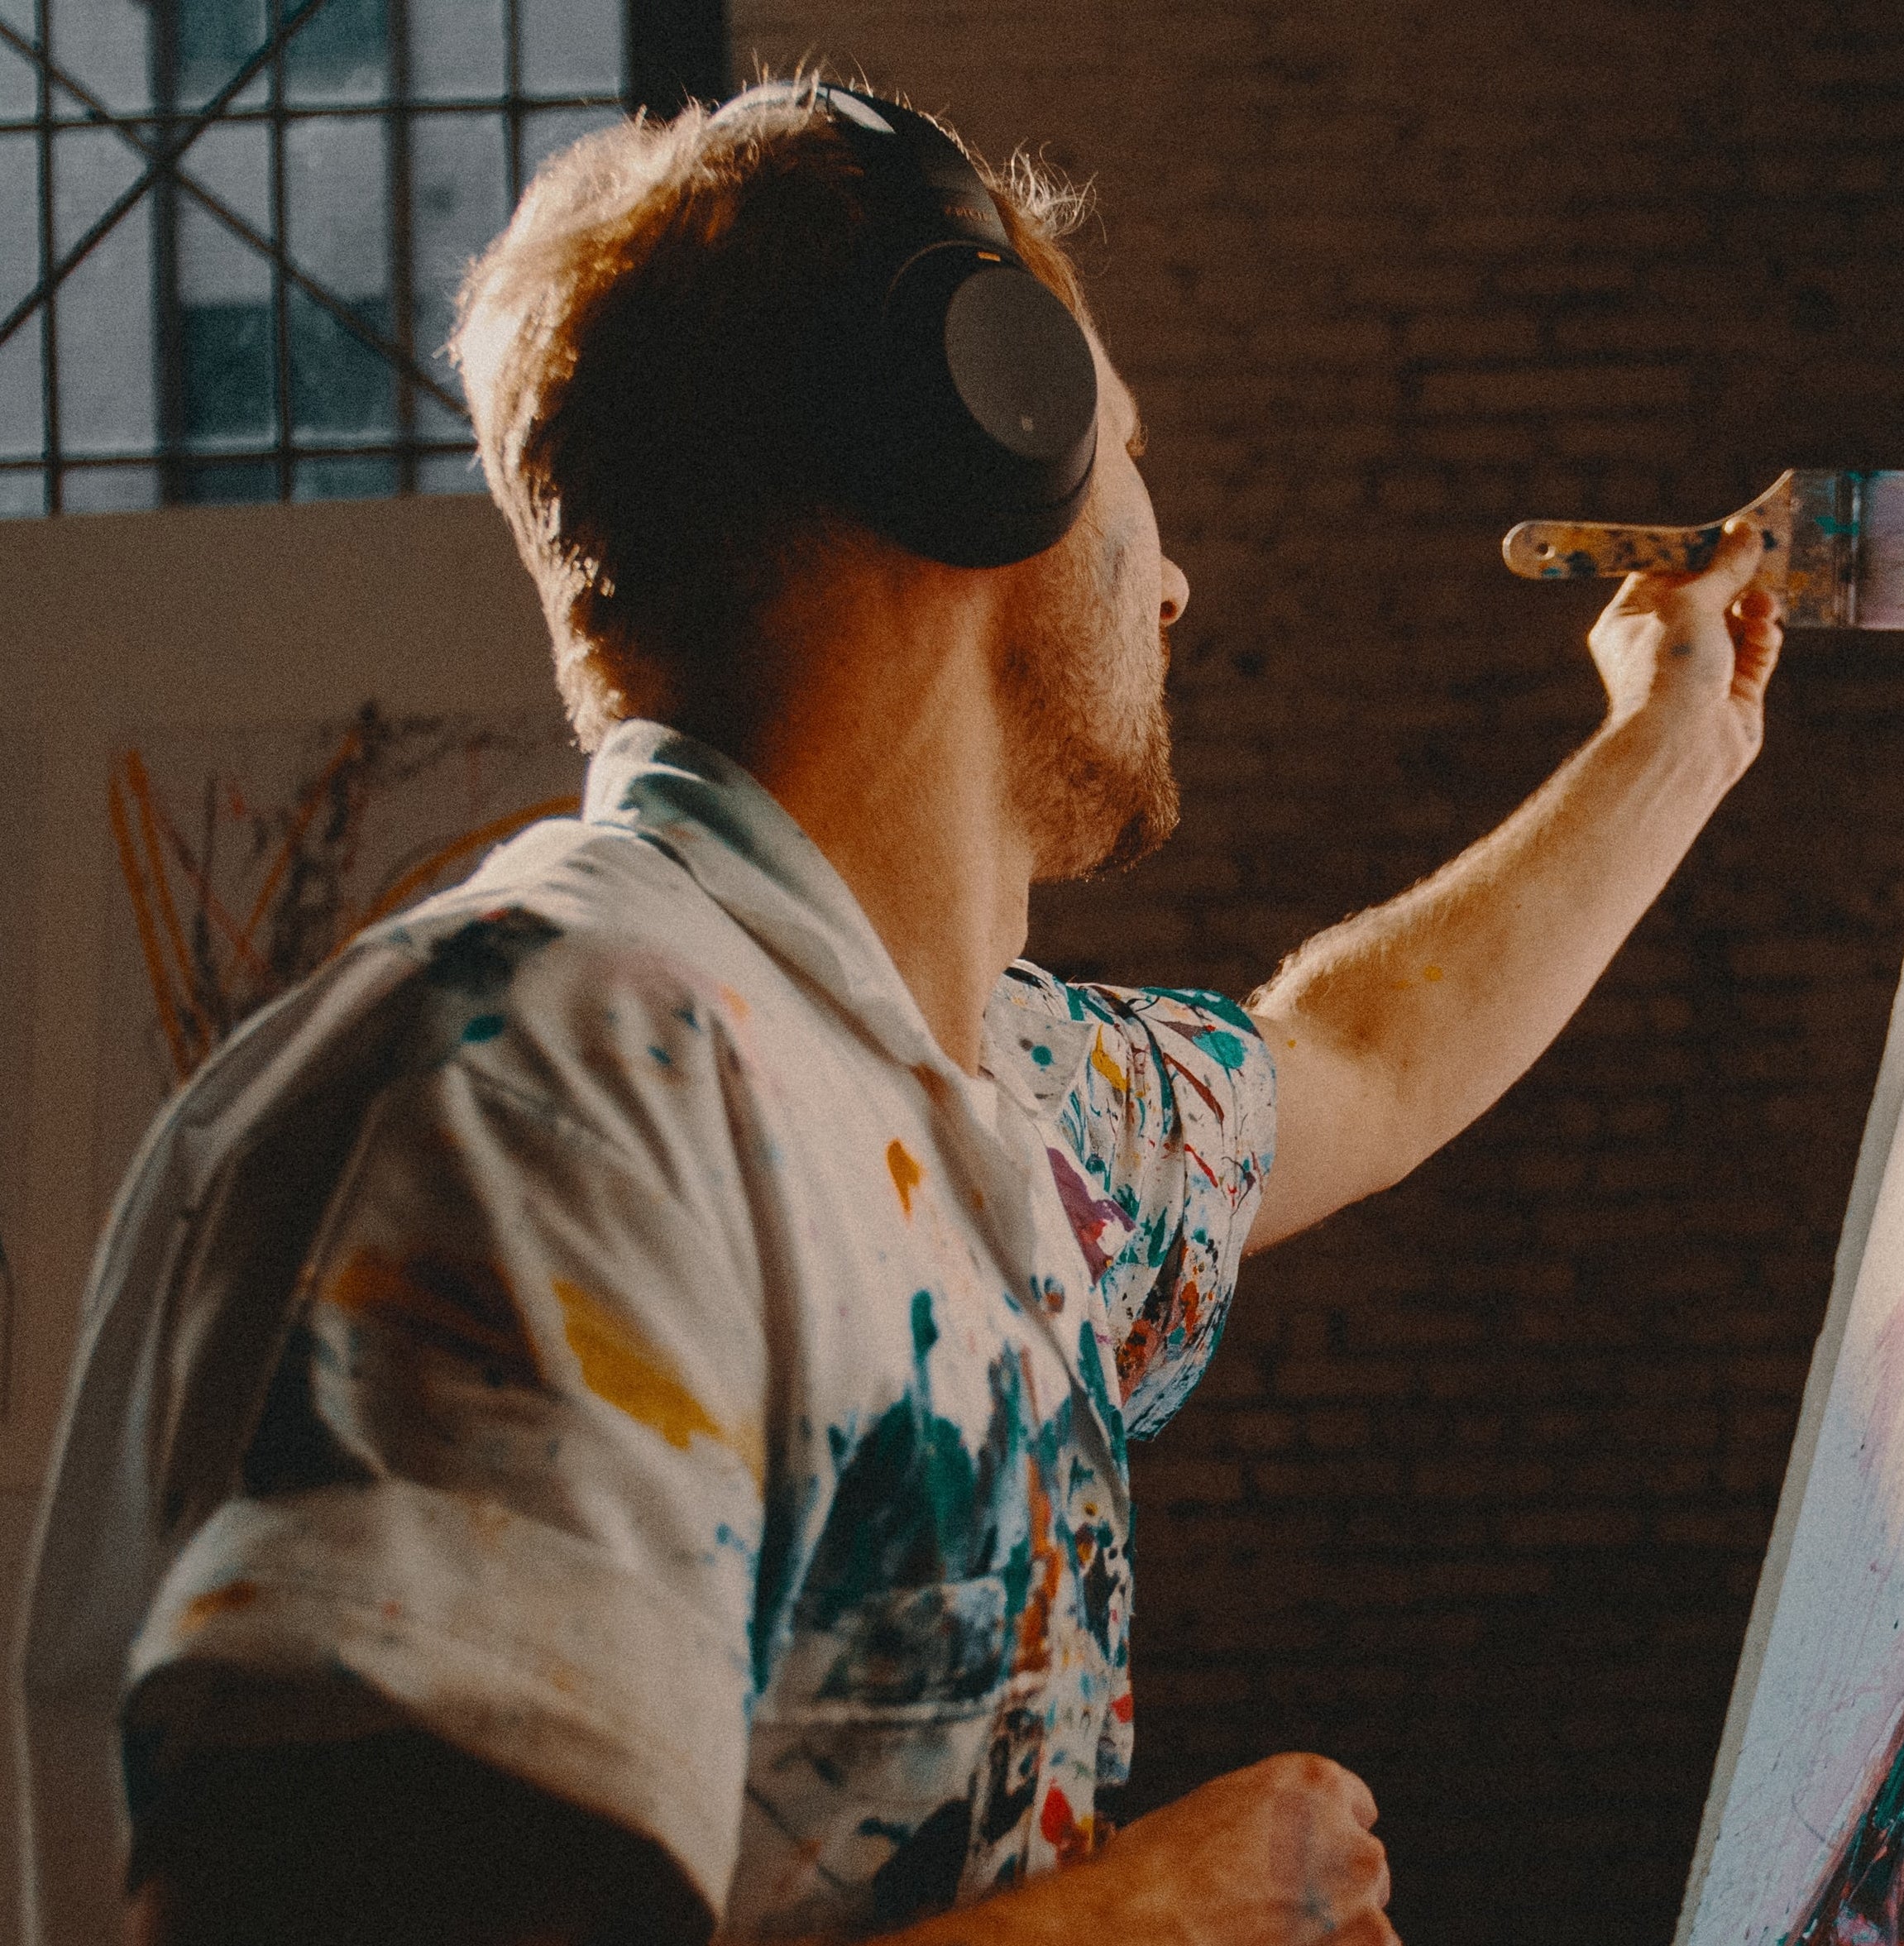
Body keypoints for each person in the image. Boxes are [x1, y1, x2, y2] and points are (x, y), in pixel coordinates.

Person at [21, 76, 1784, 1946]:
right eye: (1126, 459)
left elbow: (1359, 1054)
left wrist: (1676, 738)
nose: (1173, 581)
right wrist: (1154, 1917)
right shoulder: (558, 1080)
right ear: (989, 439)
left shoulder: (962, 1082)